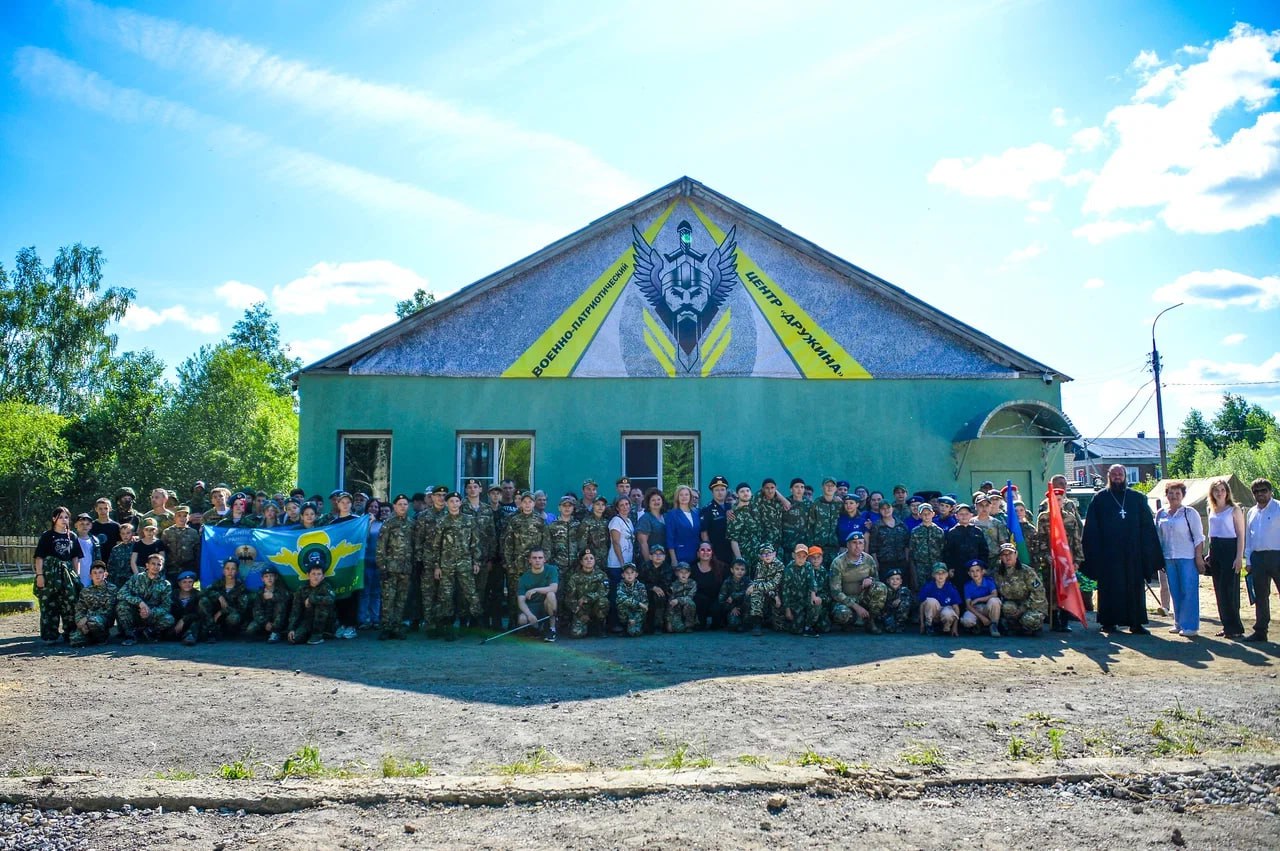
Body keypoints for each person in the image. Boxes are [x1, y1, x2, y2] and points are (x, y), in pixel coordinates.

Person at [1082, 464, 1163, 635]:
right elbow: (1091, 529)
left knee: (1134, 588)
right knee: (1110, 588)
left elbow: (1147, 527)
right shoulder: (1100, 499)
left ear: (1125, 476)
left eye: (1120, 474)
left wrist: (1149, 553)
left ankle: (1136, 623)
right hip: (1109, 555)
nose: (1117, 477)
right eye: (1114, 474)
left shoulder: (1137, 498)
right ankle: (1109, 622)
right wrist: (1094, 554)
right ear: (1109, 476)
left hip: (1133, 553)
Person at [1156, 480, 1205, 637]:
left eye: (1177, 493)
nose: (1174, 496)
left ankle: (1191, 626)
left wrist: (1198, 558)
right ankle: (1178, 622)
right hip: (1169, 557)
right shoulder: (1160, 513)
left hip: (1187, 557)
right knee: (1175, 591)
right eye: (1171, 493)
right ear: (1166, 495)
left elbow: (1199, 538)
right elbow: (1158, 538)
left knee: (1188, 591)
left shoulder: (1189, 513)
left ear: (1183, 495)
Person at [432, 491, 481, 641]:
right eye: (451, 501)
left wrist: (476, 561)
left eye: (456, 501)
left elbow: (475, 543)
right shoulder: (442, 521)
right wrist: (437, 566)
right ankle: (448, 627)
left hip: (465, 563)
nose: (454, 504)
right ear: (447, 504)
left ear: (461, 503)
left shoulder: (469, 520)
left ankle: (475, 625)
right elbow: (436, 546)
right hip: (446, 565)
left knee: (470, 594)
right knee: (446, 596)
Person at [34, 506, 82, 643]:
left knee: (70, 604)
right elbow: (39, 557)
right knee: (49, 603)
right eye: (60, 517)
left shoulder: (72, 536)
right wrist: (40, 575)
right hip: (50, 575)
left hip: (67, 575)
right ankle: (50, 635)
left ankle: (70, 633)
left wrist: (75, 575)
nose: (64, 520)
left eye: (66, 517)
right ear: (54, 519)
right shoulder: (47, 536)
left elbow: (75, 557)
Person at [1206, 478, 1246, 639]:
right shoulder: (1211, 509)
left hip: (1230, 550)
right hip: (1216, 550)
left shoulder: (1234, 510)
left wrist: (1238, 557)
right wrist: (1209, 551)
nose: (1220, 493)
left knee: (1230, 590)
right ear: (1212, 493)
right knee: (1219, 590)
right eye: (1216, 490)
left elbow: (1241, 535)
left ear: (1227, 492)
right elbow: (1211, 533)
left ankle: (1235, 627)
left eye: (1222, 490)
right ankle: (1226, 625)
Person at [504, 491, 548, 628]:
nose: (527, 504)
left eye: (530, 502)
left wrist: (543, 562)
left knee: (534, 595)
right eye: (525, 502)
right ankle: (513, 624)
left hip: (535, 567)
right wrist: (509, 563)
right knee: (514, 595)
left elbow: (546, 544)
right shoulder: (514, 521)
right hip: (517, 566)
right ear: (520, 503)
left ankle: (535, 625)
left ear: (534, 504)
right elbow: (507, 544)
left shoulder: (540, 521)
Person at [1244, 478, 1280, 643]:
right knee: (1260, 596)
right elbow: (1249, 538)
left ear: (1270, 491)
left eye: (1263, 490)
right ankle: (1260, 631)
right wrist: (1248, 560)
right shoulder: (1251, 512)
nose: (1260, 494)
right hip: (1258, 558)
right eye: (1256, 492)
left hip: (1277, 555)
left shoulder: (1278, 508)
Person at [829, 531, 886, 633]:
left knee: (880, 588)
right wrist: (857, 607)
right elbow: (835, 592)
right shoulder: (838, 563)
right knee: (842, 614)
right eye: (854, 543)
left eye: (860, 543)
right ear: (847, 545)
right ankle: (849, 622)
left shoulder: (869, 559)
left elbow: (876, 579)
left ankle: (871, 621)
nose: (857, 546)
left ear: (864, 545)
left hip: (863, 597)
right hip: (846, 599)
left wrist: (871, 580)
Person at [376, 494, 414, 640]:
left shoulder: (411, 523)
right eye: (400, 504)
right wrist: (382, 566)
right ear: (394, 506)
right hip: (390, 568)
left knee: (401, 599)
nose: (403, 507)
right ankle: (386, 627)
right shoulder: (388, 523)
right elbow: (381, 547)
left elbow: (413, 545)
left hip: (406, 568)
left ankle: (396, 626)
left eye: (405, 504)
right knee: (388, 599)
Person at [116, 552, 175, 645]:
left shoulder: (165, 584)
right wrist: (139, 602)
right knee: (122, 605)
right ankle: (130, 635)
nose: (156, 566)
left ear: (162, 567)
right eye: (153, 564)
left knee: (169, 619)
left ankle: (149, 632)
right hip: (135, 612)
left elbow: (166, 606)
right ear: (147, 565)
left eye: (159, 564)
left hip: (152, 616)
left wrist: (150, 612)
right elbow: (121, 593)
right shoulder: (136, 578)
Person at [993, 543, 1047, 635]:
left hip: (1031, 605)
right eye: (1004, 555)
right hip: (1013, 604)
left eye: (1010, 553)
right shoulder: (998, 573)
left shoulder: (1027, 571)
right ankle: (1016, 627)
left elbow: (1039, 593)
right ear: (1001, 558)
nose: (1007, 557)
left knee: (1030, 620)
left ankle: (1030, 627)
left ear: (1016, 554)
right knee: (1007, 607)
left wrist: (1023, 608)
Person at [942, 504, 988, 599]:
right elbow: (947, 552)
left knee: (976, 590)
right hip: (959, 569)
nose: (964, 516)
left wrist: (983, 566)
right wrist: (950, 568)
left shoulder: (977, 531)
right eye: (961, 514)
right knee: (960, 592)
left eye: (966, 514)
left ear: (971, 515)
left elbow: (984, 550)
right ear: (956, 516)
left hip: (976, 569)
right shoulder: (952, 532)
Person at [201, 556, 251, 641]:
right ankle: (211, 630)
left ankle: (228, 633)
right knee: (203, 601)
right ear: (223, 571)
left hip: (229, 617)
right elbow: (204, 593)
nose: (230, 572)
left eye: (233, 569)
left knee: (234, 618)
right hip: (214, 618)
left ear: (237, 571)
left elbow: (240, 610)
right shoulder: (218, 583)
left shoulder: (241, 587)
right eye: (227, 569)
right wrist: (219, 596)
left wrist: (222, 611)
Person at [778, 543, 822, 637]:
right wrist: (787, 610)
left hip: (806, 599)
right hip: (794, 602)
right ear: (793, 555)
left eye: (804, 556)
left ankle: (808, 627)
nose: (801, 558)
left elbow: (812, 582)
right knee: (796, 630)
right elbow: (785, 590)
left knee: (816, 602)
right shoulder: (789, 569)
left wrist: (813, 596)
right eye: (798, 556)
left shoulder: (808, 566)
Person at [516, 547, 558, 642]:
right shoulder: (524, 578)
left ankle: (552, 629)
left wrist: (536, 589)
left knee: (551, 594)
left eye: (540, 557)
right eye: (534, 558)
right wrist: (529, 615)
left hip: (546, 606)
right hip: (532, 608)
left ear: (544, 559)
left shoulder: (551, 570)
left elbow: (554, 588)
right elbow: (521, 601)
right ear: (530, 560)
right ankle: (536, 628)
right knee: (522, 619)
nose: (537, 560)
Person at [70, 561, 116, 648]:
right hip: (87, 621)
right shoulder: (85, 591)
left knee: (94, 622)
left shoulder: (112, 589)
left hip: (103, 620)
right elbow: (80, 609)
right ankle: (90, 637)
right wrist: (80, 623)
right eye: (94, 573)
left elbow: (108, 611)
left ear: (105, 574)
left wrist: (87, 618)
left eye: (100, 572)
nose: (97, 575)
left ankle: (102, 639)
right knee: (75, 640)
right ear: (90, 576)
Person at [289, 562, 336, 645]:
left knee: (321, 605)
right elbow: (296, 610)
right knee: (295, 639)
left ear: (323, 576)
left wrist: (311, 599)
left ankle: (318, 634)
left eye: (319, 574)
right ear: (308, 575)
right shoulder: (302, 589)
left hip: (327, 621)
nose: (316, 577)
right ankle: (312, 633)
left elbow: (330, 599)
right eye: (313, 574)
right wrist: (291, 628)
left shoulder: (326, 586)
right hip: (308, 620)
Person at [567, 549, 609, 638]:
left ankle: (600, 626)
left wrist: (587, 598)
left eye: (591, 558)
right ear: (581, 562)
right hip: (582, 608)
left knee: (603, 601)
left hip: (596, 606)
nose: (589, 560)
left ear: (594, 561)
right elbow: (570, 599)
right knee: (577, 634)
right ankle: (586, 625)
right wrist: (581, 613)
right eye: (586, 559)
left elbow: (603, 592)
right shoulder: (575, 578)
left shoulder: (601, 575)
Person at [746, 543, 784, 636]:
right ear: (760, 556)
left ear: (774, 554)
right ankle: (757, 623)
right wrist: (771, 593)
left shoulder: (780, 566)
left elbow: (774, 584)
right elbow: (759, 581)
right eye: (764, 554)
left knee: (779, 628)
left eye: (769, 553)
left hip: (780, 595)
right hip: (770, 593)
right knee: (756, 592)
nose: (767, 556)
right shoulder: (760, 565)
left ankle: (770, 620)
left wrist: (775, 595)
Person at [245, 564, 291, 643]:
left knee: (281, 604)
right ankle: (266, 631)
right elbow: (257, 611)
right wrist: (265, 623)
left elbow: (288, 598)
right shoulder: (260, 593)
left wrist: (273, 596)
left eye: (271, 576)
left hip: (278, 621)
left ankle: (275, 632)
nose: (269, 578)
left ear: (275, 577)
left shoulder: (281, 590)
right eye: (266, 576)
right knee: (250, 630)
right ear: (262, 579)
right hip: (265, 620)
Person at [358, 498, 383, 630]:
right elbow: (362, 538)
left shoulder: (382, 524)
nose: (373, 509)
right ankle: (362, 619)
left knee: (376, 592)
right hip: (365, 562)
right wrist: (369, 523)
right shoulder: (361, 523)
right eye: (371, 506)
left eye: (376, 507)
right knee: (364, 592)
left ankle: (375, 619)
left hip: (377, 562)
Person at [960, 559, 1002, 636]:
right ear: (969, 573)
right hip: (975, 609)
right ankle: (978, 625)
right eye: (972, 571)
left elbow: (994, 594)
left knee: (995, 601)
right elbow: (968, 605)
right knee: (967, 621)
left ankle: (994, 625)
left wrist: (978, 599)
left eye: (977, 570)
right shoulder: (967, 586)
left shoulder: (989, 581)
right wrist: (982, 618)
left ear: (983, 572)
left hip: (987, 608)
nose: (975, 573)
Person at [870, 500, 910, 581]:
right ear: (879, 511)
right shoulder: (877, 526)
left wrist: (907, 560)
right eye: (883, 509)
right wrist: (876, 563)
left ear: (892, 509)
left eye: (888, 508)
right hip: (884, 563)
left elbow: (907, 544)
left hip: (901, 561)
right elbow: (873, 547)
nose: (886, 510)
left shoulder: (901, 524)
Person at [699, 475, 735, 565]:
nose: (720, 493)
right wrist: (709, 552)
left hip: (731, 550)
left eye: (722, 490)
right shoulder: (707, 509)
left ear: (726, 491)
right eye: (717, 490)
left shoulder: (730, 507)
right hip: (717, 552)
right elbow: (704, 533)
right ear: (712, 492)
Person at [909, 503, 944, 593]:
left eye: (928, 513)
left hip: (936, 565)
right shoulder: (915, 531)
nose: (926, 516)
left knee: (937, 588)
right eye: (924, 514)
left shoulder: (939, 531)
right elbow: (912, 550)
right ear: (919, 515)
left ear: (933, 514)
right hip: (921, 566)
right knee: (923, 589)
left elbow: (942, 548)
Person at [918, 563, 961, 636]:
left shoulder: (951, 588)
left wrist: (955, 627)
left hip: (944, 614)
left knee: (948, 612)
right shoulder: (928, 587)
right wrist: (921, 624)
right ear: (933, 575)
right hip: (933, 615)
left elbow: (956, 608)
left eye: (943, 573)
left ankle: (946, 628)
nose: (940, 575)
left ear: (947, 574)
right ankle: (929, 625)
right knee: (930, 601)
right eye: (937, 573)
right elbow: (922, 605)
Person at [161, 506, 200, 581]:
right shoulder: (167, 532)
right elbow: (163, 551)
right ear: (174, 517)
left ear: (188, 518)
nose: (182, 518)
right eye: (179, 515)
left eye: (185, 516)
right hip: (171, 569)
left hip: (188, 568)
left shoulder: (193, 532)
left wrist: (197, 569)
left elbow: (197, 552)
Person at [639, 544, 671, 634]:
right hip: (646, 591)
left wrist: (658, 589)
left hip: (661, 592)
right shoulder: (644, 566)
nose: (658, 556)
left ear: (664, 557)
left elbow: (666, 583)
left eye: (660, 554)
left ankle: (658, 625)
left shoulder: (667, 568)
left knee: (659, 597)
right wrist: (652, 587)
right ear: (650, 556)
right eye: (655, 554)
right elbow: (640, 581)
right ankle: (644, 625)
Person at [666, 485, 702, 566]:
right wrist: (673, 558)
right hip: (680, 555)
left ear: (690, 496)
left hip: (696, 555)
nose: (684, 497)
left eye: (686, 494)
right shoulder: (672, 514)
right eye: (681, 495)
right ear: (677, 497)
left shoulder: (697, 513)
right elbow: (670, 538)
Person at [689, 542, 722, 629]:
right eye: (702, 550)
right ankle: (700, 622)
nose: (705, 552)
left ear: (712, 553)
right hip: (699, 601)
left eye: (708, 550)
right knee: (699, 599)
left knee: (717, 623)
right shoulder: (691, 569)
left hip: (716, 599)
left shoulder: (721, 567)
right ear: (698, 553)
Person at [727, 483, 762, 563]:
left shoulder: (755, 508)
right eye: (742, 491)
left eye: (747, 491)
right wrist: (739, 559)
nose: (745, 493)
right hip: (744, 557)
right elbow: (733, 540)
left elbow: (768, 488)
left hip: (758, 557)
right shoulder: (734, 514)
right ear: (737, 494)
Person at [809, 477, 842, 564]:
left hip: (835, 547)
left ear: (836, 488)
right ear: (822, 487)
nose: (830, 488)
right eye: (827, 485)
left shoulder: (840, 504)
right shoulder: (816, 504)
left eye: (832, 485)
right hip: (819, 546)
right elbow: (810, 525)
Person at [170, 571, 205, 645]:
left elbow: (199, 614)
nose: (187, 584)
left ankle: (190, 637)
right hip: (176, 624)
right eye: (184, 582)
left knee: (196, 623)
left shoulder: (198, 595)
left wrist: (184, 619)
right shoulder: (173, 594)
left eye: (190, 582)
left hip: (192, 624)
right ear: (179, 583)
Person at [635, 488, 667, 568]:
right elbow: (643, 543)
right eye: (653, 500)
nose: (656, 502)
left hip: (664, 560)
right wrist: (648, 563)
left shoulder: (666, 516)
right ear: (648, 503)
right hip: (652, 562)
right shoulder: (645, 519)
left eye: (658, 499)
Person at [614, 563, 648, 637]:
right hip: (626, 615)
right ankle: (624, 625)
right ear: (623, 575)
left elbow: (645, 606)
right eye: (627, 573)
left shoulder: (641, 586)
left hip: (637, 615)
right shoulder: (620, 586)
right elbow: (622, 598)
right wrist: (638, 603)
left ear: (636, 574)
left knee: (634, 633)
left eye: (632, 572)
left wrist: (635, 619)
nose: (629, 575)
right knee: (621, 603)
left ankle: (637, 626)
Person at [780, 478, 812, 557]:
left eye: (802, 487)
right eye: (796, 487)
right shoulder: (785, 503)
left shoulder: (809, 504)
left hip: (804, 545)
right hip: (788, 545)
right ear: (791, 489)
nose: (799, 489)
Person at [546, 495, 579, 569]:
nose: (567, 508)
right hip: (557, 566)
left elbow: (582, 544)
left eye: (569, 505)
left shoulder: (578, 525)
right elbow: (547, 547)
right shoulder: (552, 526)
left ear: (573, 508)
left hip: (575, 567)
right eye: (564, 505)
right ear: (559, 508)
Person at [718, 558, 751, 632]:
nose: (740, 571)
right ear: (732, 570)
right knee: (734, 624)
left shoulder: (747, 581)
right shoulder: (727, 583)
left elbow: (751, 591)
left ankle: (748, 622)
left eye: (742, 569)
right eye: (737, 569)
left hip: (745, 607)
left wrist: (734, 595)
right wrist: (731, 608)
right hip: (733, 608)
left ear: (745, 571)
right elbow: (721, 600)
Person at [666, 562, 698, 634]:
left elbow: (690, 597)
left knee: (690, 603)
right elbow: (670, 604)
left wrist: (678, 600)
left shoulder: (693, 583)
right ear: (676, 573)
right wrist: (669, 622)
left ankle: (689, 625)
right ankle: (679, 624)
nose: (684, 574)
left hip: (687, 607)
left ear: (689, 573)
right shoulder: (673, 585)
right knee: (677, 629)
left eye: (686, 572)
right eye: (681, 572)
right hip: (676, 610)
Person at [879, 569, 914, 634]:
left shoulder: (904, 589)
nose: (895, 581)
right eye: (892, 579)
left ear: (901, 581)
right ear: (888, 581)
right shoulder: (884, 590)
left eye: (897, 579)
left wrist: (900, 599)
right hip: (889, 613)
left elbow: (909, 598)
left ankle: (900, 623)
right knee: (890, 629)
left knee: (904, 602)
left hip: (900, 614)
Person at [90, 497, 122, 564]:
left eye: (106, 508)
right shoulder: (91, 526)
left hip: (112, 561)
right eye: (100, 509)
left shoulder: (116, 526)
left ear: (110, 509)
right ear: (96, 509)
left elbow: (120, 544)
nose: (103, 511)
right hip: (95, 560)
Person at [72, 513, 101, 586]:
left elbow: (98, 559)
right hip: (75, 573)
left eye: (87, 524)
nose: (84, 526)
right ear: (76, 525)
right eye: (81, 524)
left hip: (91, 574)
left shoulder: (95, 541)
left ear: (91, 526)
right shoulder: (72, 540)